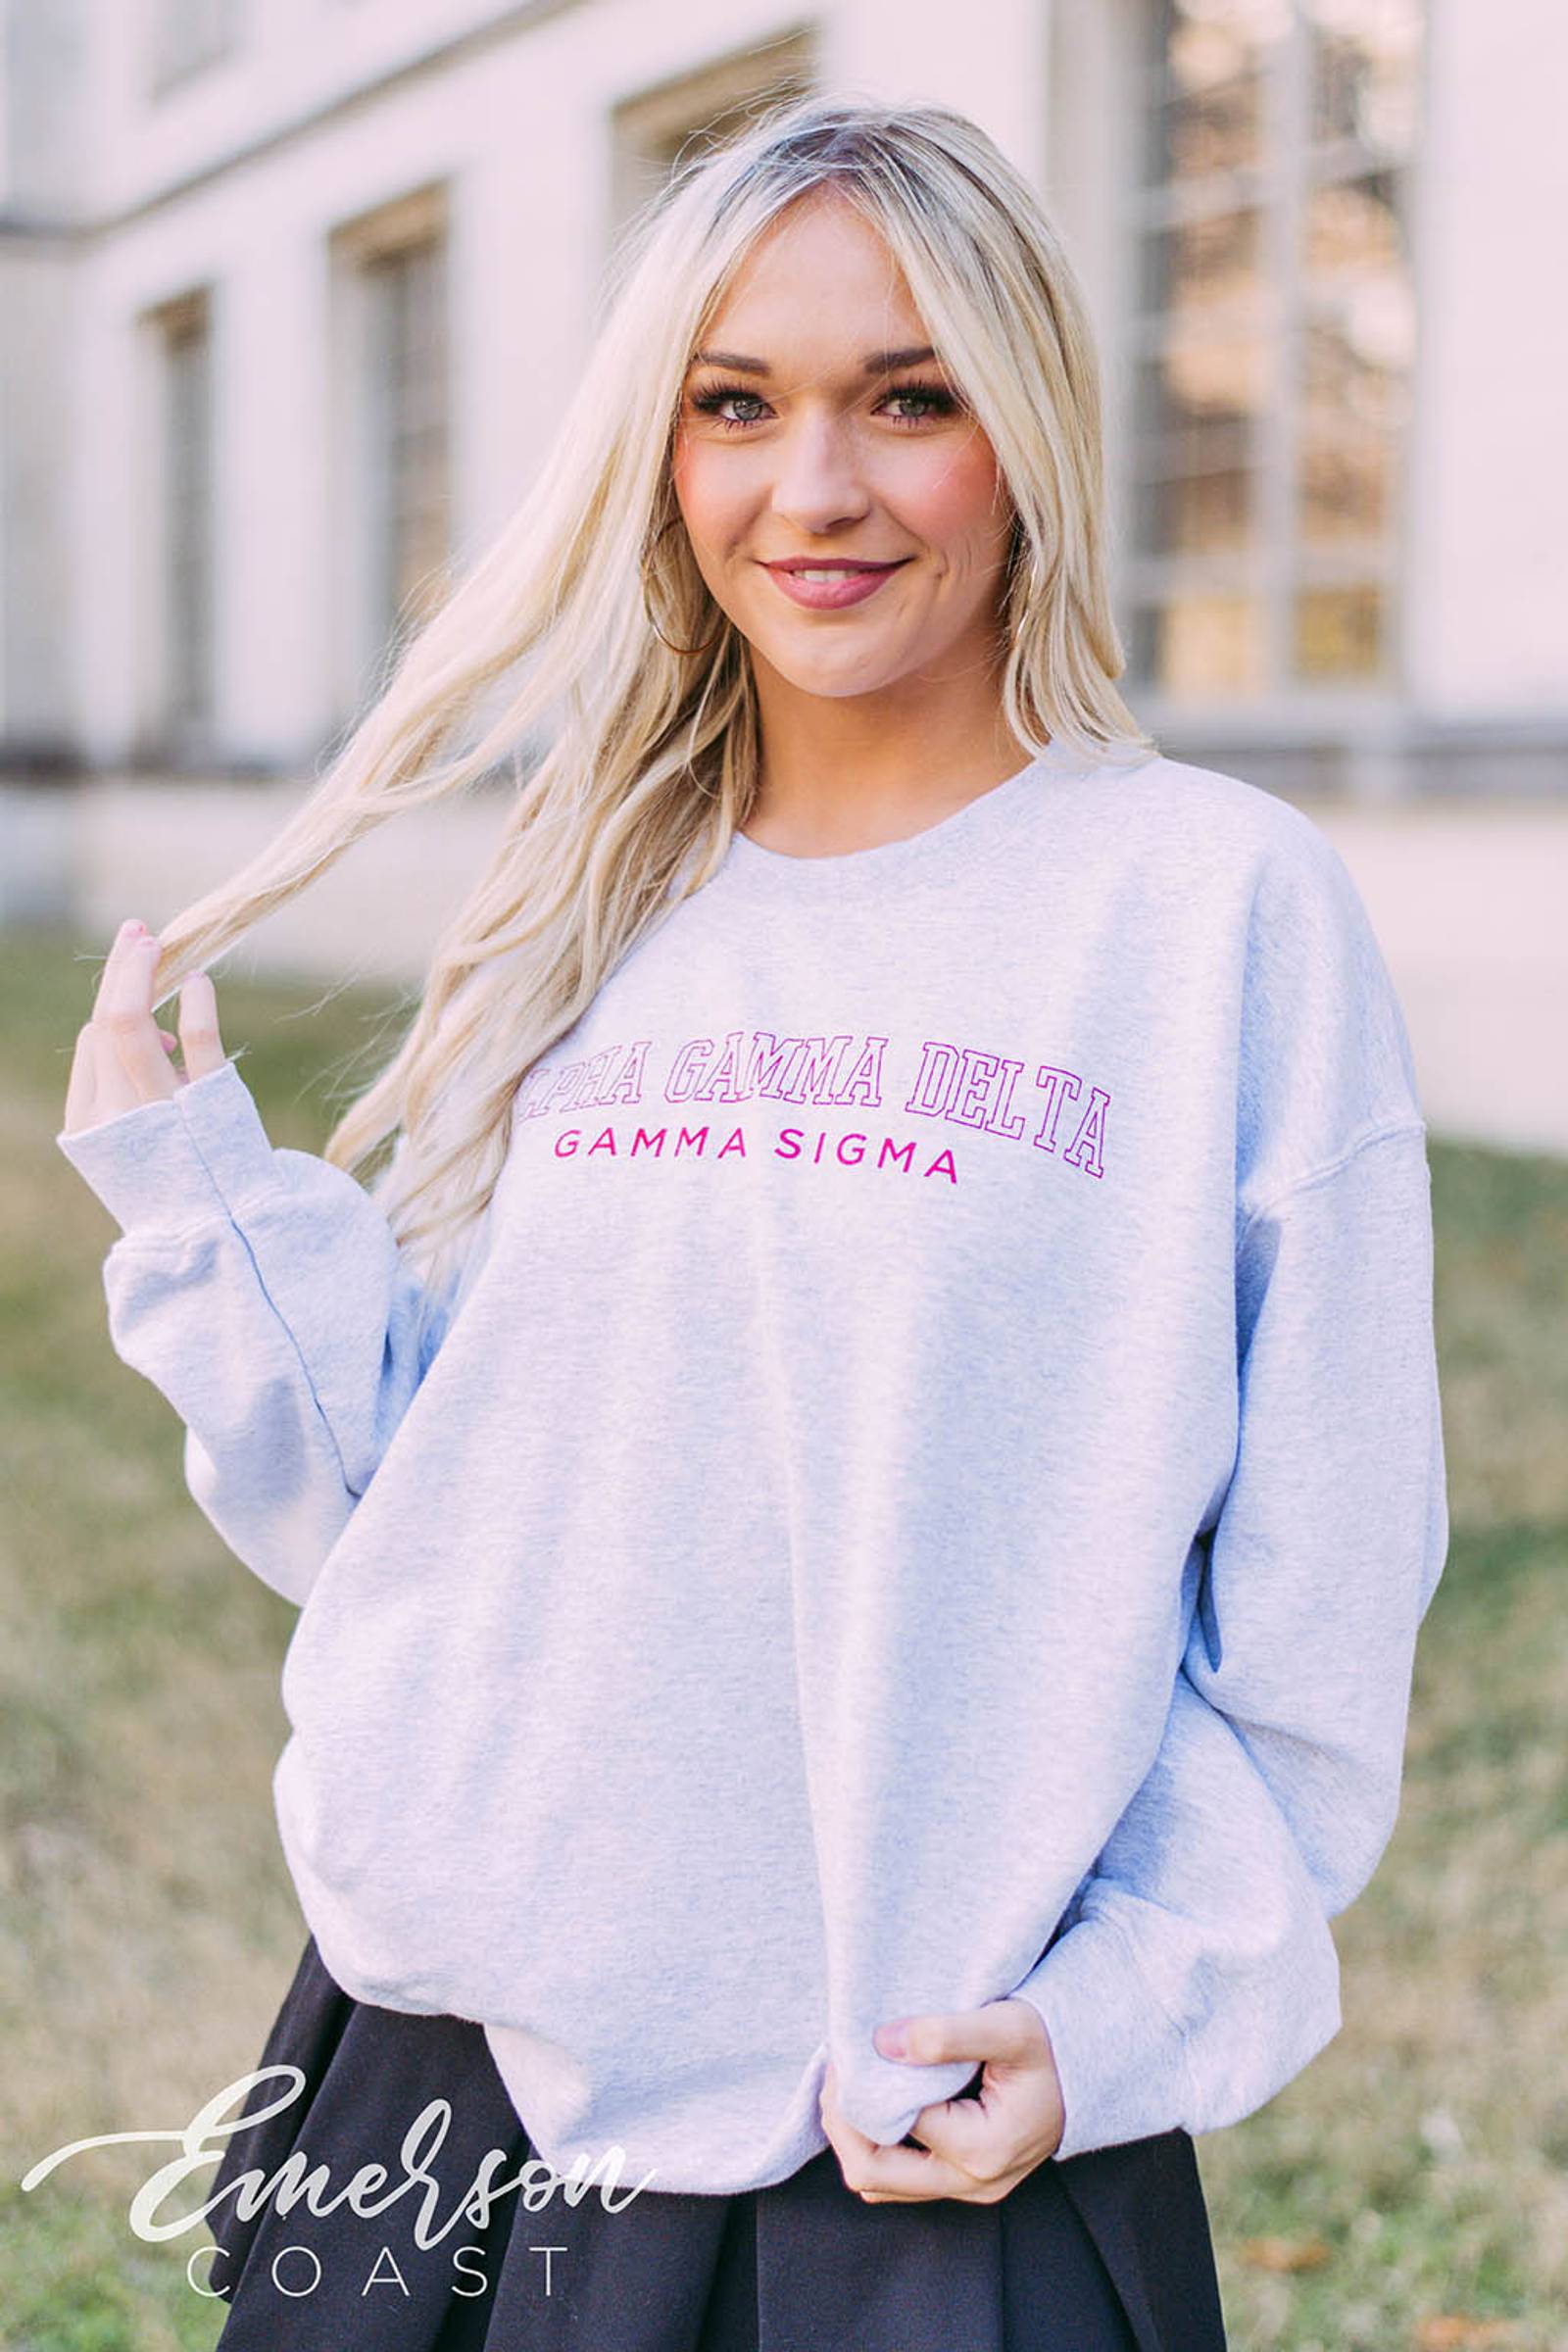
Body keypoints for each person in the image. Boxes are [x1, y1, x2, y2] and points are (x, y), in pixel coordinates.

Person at [54, 90, 1447, 2352]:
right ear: (659, 449)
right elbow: (428, 1527)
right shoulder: (588, 904)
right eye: (734, 405)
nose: (812, 490)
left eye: (907, 399)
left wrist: (1115, 2015)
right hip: (447, 2090)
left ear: (1025, 430)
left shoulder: (1208, 915)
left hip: (913, 2137)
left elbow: (1315, 1599)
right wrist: (195, 1209)